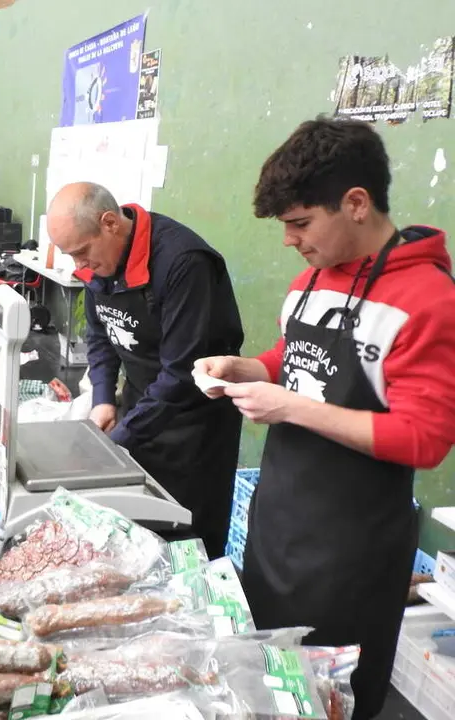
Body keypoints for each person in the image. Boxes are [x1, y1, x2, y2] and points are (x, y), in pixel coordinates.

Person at [195, 118, 455, 719]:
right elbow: (296, 360)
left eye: (300, 223)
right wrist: (247, 369)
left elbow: (425, 438)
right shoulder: (310, 281)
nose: (289, 239)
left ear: (356, 204)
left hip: (352, 548)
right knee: (268, 682)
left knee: (332, 696)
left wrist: (291, 407)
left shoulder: (427, 300)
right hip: (279, 522)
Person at [47, 182, 244, 559]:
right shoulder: (98, 260)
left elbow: (181, 373)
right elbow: (100, 334)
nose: (80, 267)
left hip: (194, 427)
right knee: (137, 537)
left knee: (187, 540)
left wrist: (122, 437)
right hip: (140, 409)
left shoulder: (184, 263)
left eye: (82, 253)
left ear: (109, 223)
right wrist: (104, 398)